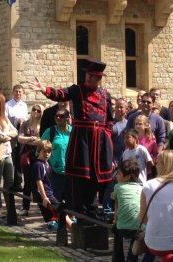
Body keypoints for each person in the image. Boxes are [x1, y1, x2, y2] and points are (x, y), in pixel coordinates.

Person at [29, 59, 114, 220]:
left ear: (99, 79)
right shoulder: (77, 90)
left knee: (95, 177)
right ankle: (80, 211)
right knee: (81, 176)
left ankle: (92, 210)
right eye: (87, 75)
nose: (88, 79)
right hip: (82, 140)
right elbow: (61, 94)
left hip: (99, 141)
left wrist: (107, 135)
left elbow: (109, 119)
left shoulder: (105, 95)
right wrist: (44, 89)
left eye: (92, 77)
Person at [31, 140, 74, 231]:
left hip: (49, 193)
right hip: (46, 195)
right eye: (44, 151)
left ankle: (70, 226)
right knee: (60, 209)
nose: (47, 154)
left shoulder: (46, 163)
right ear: (39, 151)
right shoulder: (38, 164)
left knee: (61, 209)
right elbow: (39, 181)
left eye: (49, 152)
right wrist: (44, 197)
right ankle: (73, 229)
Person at [112, 159, 142, 262]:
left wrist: (115, 221)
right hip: (139, 227)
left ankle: (118, 258)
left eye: (119, 173)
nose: (116, 175)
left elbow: (117, 207)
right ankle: (131, 258)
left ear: (128, 177)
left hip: (122, 228)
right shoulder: (141, 188)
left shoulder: (117, 187)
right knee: (135, 240)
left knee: (116, 230)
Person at [17, 104, 44, 216]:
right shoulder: (25, 124)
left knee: (39, 182)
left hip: (38, 156)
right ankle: (25, 207)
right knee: (27, 182)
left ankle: (42, 206)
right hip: (26, 156)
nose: (36, 112)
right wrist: (31, 139)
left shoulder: (42, 125)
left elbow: (42, 141)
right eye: (34, 109)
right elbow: (19, 138)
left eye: (38, 111)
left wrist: (28, 140)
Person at [41, 108, 72, 202]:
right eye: (56, 116)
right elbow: (41, 149)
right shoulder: (50, 131)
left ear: (67, 118)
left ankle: (71, 216)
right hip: (54, 173)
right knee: (55, 200)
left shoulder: (73, 131)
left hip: (70, 172)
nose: (58, 118)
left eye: (61, 116)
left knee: (71, 200)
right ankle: (56, 216)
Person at [5, 84, 29, 192]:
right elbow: (5, 119)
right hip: (12, 134)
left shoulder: (24, 105)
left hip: (22, 134)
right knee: (12, 159)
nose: (18, 93)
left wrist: (23, 121)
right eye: (16, 91)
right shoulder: (8, 105)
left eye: (20, 92)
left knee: (20, 158)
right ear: (13, 92)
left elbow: (27, 117)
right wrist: (16, 120)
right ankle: (10, 182)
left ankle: (18, 183)